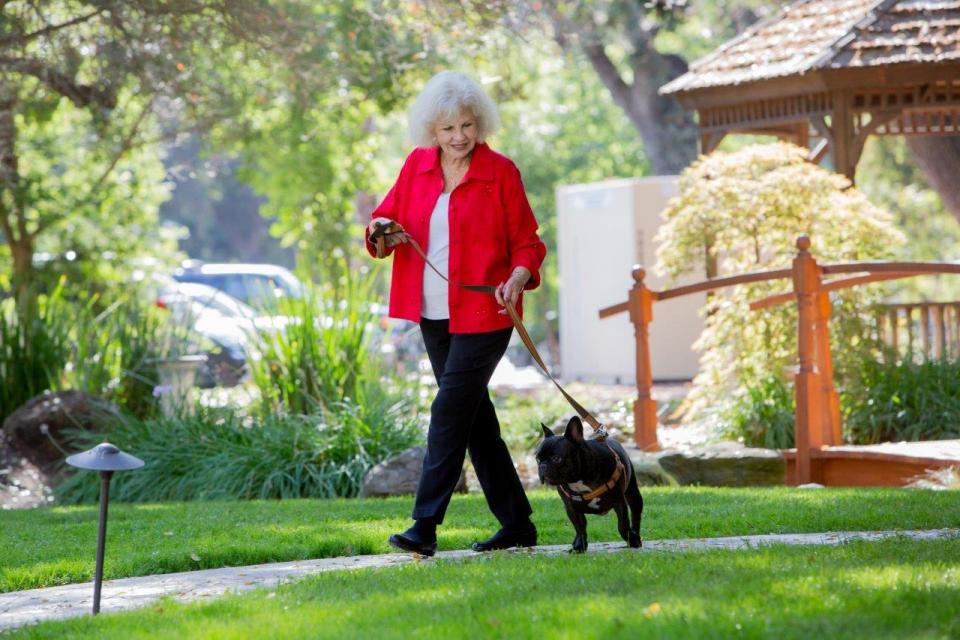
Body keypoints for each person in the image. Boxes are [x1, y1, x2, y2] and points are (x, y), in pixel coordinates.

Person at [364, 70, 546, 556]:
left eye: (466, 125)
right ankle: (517, 525)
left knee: (448, 411)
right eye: (448, 129)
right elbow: (382, 223)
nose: (459, 137)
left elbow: (529, 242)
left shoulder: (500, 172)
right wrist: (382, 228)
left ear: (479, 123)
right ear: (432, 131)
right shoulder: (417, 167)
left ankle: (424, 526)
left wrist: (519, 275)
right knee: (474, 419)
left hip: (487, 311)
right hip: (433, 314)